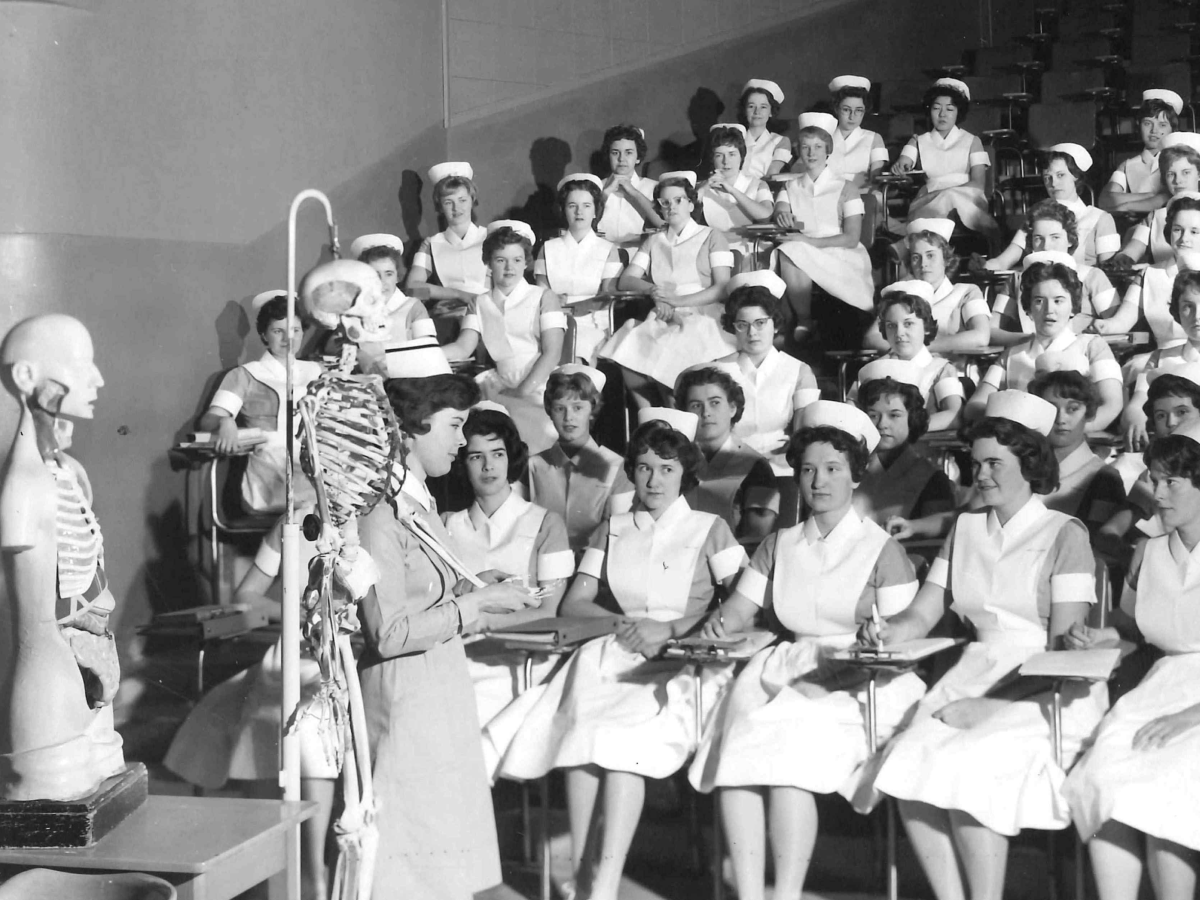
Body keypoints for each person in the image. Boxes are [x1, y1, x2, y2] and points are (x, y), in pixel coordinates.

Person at [492, 409, 748, 900]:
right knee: (584, 738)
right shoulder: (612, 528)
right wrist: (622, 625)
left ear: (685, 474)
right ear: (632, 470)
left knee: (617, 746)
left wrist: (671, 628)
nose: (655, 479)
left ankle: (603, 886)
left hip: (683, 660)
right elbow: (575, 602)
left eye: (668, 468)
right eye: (646, 466)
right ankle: (587, 875)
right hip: (614, 653)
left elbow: (743, 607)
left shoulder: (710, 529)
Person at [864, 390, 1107, 900]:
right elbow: (924, 612)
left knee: (970, 764)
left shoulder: (1067, 535)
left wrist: (989, 706)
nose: (982, 476)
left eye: (995, 463)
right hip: (973, 671)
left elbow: (1063, 650)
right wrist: (887, 630)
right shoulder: (966, 529)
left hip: (1045, 688)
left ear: (1031, 465)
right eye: (976, 465)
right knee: (905, 761)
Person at [688, 400, 926, 900]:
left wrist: (870, 652)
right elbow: (738, 609)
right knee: (736, 761)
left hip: (864, 680)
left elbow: (908, 643)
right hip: (785, 668)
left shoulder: (883, 550)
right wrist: (714, 625)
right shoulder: (779, 543)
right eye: (809, 469)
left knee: (786, 763)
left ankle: (787, 893)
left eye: (833, 469)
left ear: (855, 477)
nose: (819, 481)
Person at [356, 346, 538, 900]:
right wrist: (475, 606)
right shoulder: (380, 511)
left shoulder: (419, 500)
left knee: (452, 870)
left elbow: (421, 593)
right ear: (414, 424)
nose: (463, 443)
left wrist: (470, 585)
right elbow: (388, 632)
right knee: (413, 871)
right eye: (456, 426)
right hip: (407, 701)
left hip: (438, 693)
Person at [162, 510, 338, 900]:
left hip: (346, 659)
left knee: (309, 728)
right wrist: (298, 611)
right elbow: (246, 595)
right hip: (295, 652)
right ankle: (274, 870)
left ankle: (313, 874)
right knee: (259, 714)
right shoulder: (291, 523)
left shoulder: (369, 522)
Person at [1062, 422, 1200, 900]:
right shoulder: (1149, 553)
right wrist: (1102, 634)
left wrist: (1190, 716)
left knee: (1165, 782)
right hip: (1159, 687)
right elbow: (1132, 626)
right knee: (1102, 776)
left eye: (1171, 482)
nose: (1157, 493)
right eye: (1153, 480)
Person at [442, 405, 573, 754]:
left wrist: (478, 619)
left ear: (510, 457)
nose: (488, 466)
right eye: (476, 456)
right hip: (450, 655)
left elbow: (550, 611)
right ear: (461, 462)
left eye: (497, 454)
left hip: (516, 660)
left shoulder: (547, 524)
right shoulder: (444, 526)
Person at [600, 171, 735, 408]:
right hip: (663, 312)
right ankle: (652, 416)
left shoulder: (712, 236)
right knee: (629, 347)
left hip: (703, 313)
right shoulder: (654, 240)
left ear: (691, 204)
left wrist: (677, 302)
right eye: (664, 202)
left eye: (678, 200)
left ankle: (678, 417)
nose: (671, 206)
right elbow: (627, 280)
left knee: (673, 352)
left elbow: (722, 288)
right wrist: (655, 292)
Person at [444, 220, 566, 454]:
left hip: (539, 384)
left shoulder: (543, 297)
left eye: (517, 260)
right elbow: (462, 348)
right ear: (488, 263)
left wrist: (522, 392)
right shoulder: (479, 303)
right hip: (498, 384)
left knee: (539, 433)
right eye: (501, 260)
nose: (509, 268)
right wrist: (423, 351)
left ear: (526, 263)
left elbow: (552, 352)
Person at [197, 293, 323, 513]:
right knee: (314, 508)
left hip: (317, 464)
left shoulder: (317, 372)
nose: (288, 339)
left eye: (295, 330)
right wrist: (225, 422)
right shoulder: (245, 374)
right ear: (264, 335)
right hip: (271, 472)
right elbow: (208, 421)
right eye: (278, 331)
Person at [967, 258, 1123, 431]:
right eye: (1039, 301)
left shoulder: (1092, 346)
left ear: (1073, 307)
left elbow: (1112, 405)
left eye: (1058, 300)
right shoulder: (1012, 354)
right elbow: (975, 406)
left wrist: (1067, 432)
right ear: (1028, 308)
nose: (1049, 310)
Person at [772, 111, 875, 341]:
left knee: (795, 247)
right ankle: (803, 319)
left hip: (842, 252)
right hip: (802, 249)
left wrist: (809, 241)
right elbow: (781, 209)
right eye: (806, 147)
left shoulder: (847, 188)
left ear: (828, 150)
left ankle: (807, 321)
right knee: (789, 249)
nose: (811, 153)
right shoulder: (790, 186)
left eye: (818, 147)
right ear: (799, 150)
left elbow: (851, 238)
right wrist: (782, 216)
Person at [718, 271, 821, 478]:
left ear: (775, 324)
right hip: (728, 466)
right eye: (742, 325)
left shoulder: (799, 371)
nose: (752, 332)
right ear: (733, 328)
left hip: (782, 465)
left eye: (760, 323)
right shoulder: (718, 370)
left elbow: (805, 432)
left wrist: (784, 458)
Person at [523, 364, 634, 554]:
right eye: (560, 408)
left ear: (592, 410)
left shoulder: (616, 468)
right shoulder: (532, 466)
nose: (569, 418)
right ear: (549, 411)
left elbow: (619, 539)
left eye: (577, 408)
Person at [890, 77, 1001, 248]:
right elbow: (905, 162)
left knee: (948, 197)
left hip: (968, 199)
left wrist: (944, 193)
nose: (942, 115)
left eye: (949, 109)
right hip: (929, 202)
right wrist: (901, 165)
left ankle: (904, 244)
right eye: (936, 108)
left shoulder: (973, 141)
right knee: (941, 202)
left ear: (959, 112)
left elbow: (978, 184)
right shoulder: (919, 141)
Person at [990, 204, 1119, 346]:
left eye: (1055, 238)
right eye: (1038, 238)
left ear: (1070, 240)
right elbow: (991, 330)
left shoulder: (1092, 276)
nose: (1046, 247)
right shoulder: (1016, 280)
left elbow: (1117, 327)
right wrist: (1030, 341)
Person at [852, 359, 956, 526]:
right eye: (873, 415)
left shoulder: (933, 481)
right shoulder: (849, 471)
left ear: (913, 418)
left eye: (894, 415)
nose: (882, 424)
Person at [867, 218, 992, 354]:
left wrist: (920, 349)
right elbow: (871, 338)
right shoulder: (900, 295)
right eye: (916, 257)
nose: (923, 264)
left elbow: (981, 336)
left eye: (930, 255)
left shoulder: (967, 292)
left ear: (945, 258)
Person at [534, 173, 623, 362]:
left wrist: (576, 307)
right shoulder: (548, 249)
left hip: (592, 323)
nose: (579, 212)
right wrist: (552, 302)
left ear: (595, 211)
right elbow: (540, 293)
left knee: (576, 347)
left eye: (586, 206)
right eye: (572, 206)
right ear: (563, 210)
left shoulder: (608, 249)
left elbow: (608, 295)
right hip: (553, 320)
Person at [986, 143, 1118, 269]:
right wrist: (985, 266)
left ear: (1076, 176)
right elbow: (1004, 261)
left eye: (1061, 175)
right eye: (1047, 177)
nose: (1053, 183)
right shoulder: (1037, 216)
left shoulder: (1100, 219)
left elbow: (1109, 271)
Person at [676, 365, 776, 529]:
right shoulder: (674, 461)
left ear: (732, 408)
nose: (706, 412)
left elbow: (756, 535)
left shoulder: (756, 466)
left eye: (715, 403)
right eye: (696, 405)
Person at [1028, 367, 1126, 534]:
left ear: (1089, 413)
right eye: (1051, 408)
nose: (1061, 419)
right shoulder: (1024, 465)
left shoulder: (1104, 478)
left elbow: (1096, 543)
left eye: (1072, 409)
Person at [1095, 193, 1200, 347]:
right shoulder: (1149, 275)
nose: (1184, 239)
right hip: (1164, 360)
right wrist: (1103, 326)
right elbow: (1121, 322)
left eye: (1194, 232)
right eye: (1177, 230)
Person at [864, 283, 965, 433]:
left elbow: (954, 415)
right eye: (891, 326)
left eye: (908, 324)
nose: (899, 333)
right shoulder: (874, 369)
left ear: (925, 326)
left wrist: (906, 429)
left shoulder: (940, 369)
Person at [1119, 271, 1200, 451]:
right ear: (1176, 311)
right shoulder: (1160, 359)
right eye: (1188, 306)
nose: (1197, 315)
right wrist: (1135, 415)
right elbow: (1137, 403)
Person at [407, 161, 490, 311]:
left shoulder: (490, 237)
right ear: (439, 205)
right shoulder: (431, 244)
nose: (456, 208)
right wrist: (457, 294)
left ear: (472, 200)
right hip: (448, 314)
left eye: (462, 200)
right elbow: (412, 289)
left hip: (487, 311)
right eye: (448, 202)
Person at [1112, 133, 1200, 266]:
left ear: (1199, 174)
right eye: (1171, 174)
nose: (1178, 180)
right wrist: (1122, 259)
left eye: (1186, 172)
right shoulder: (1155, 217)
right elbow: (1132, 250)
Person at [697, 124, 773, 265]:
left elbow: (765, 215)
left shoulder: (757, 185)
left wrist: (731, 190)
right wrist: (702, 189)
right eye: (719, 155)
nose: (726, 162)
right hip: (712, 250)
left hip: (751, 250)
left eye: (732, 154)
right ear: (712, 159)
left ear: (741, 156)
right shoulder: (702, 187)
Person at [1099, 89, 1182, 215]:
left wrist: (1127, 205)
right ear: (1139, 125)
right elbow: (1105, 200)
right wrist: (1153, 196)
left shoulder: (1182, 161)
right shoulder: (1128, 165)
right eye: (1148, 123)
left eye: (1162, 125)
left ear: (1173, 129)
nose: (1154, 130)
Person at [828, 74, 889, 242]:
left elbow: (877, 176)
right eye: (846, 109)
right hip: (828, 195)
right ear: (836, 109)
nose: (852, 116)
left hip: (862, 196)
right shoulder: (824, 138)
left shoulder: (874, 138)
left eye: (859, 111)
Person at [351, 233, 436, 341]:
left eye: (389, 274)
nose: (382, 282)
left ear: (397, 276)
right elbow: (333, 346)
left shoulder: (413, 308)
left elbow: (429, 349)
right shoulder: (356, 309)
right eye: (375, 274)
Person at [595, 125, 662, 251]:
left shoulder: (653, 187)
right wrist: (605, 194)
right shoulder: (596, 186)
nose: (621, 159)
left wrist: (634, 192)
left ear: (638, 158)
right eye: (615, 153)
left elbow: (664, 223)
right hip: (601, 255)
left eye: (628, 152)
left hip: (640, 256)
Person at [736, 79, 793, 180]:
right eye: (751, 106)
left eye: (763, 107)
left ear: (771, 112)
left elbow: (771, 176)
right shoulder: (735, 138)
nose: (757, 112)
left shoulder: (780, 141)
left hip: (762, 191)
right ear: (744, 110)